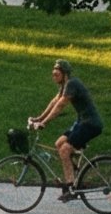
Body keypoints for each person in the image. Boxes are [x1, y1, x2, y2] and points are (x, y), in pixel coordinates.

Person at [30, 60, 105, 196]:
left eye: (57, 72)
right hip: (81, 122)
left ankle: (71, 187)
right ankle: (77, 175)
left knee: (65, 150)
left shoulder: (72, 84)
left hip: (90, 124)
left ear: (65, 74)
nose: (54, 75)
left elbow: (60, 105)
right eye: (53, 72)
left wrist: (44, 122)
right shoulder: (66, 85)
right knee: (59, 144)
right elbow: (55, 102)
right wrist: (39, 119)